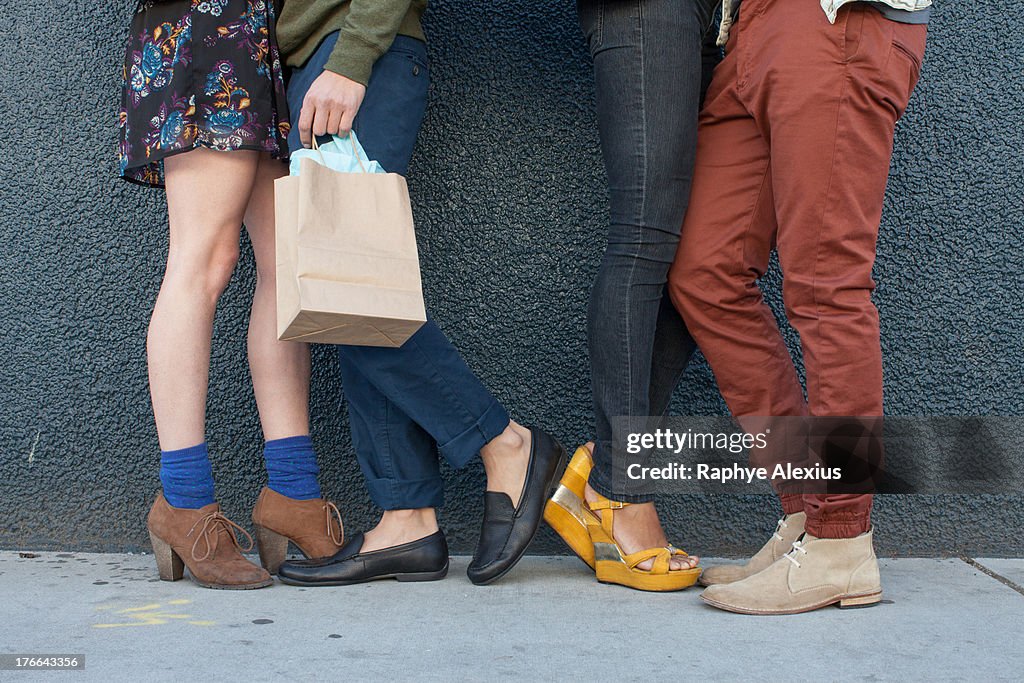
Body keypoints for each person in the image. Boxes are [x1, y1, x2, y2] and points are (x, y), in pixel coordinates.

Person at [270, 0, 566, 587]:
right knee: (348, 296)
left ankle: (505, 444)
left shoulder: (351, 58)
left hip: (353, 54)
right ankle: (407, 518)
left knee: (354, 298)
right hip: (322, 62)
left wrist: (352, 59)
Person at [667, 0, 930, 614]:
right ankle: (804, 518)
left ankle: (841, 542)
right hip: (752, 34)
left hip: (835, 21)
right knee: (707, 273)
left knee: (827, 286)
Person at [119, 0, 343, 590]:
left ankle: (295, 493)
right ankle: (185, 502)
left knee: (286, 268)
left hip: (269, 44)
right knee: (203, 262)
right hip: (203, 32)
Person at [543, 0, 721, 592]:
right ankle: (623, 494)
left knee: (711, 263)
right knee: (645, 239)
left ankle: (607, 472)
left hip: (728, 16)